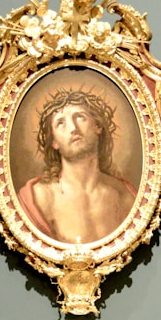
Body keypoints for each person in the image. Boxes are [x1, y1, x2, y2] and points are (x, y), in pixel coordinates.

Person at [17, 89, 136, 243]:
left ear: (97, 126)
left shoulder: (124, 195)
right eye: (61, 123)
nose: (73, 128)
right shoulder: (38, 198)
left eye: (80, 117)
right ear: (54, 142)